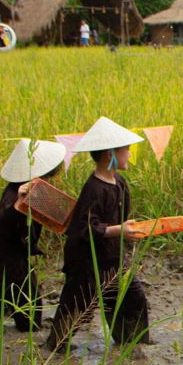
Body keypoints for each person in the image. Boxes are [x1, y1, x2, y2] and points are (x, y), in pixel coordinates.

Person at [46, 117, 152, 351]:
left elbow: (118, 220)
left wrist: (126, 228)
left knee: (133, 297)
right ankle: (56, 346)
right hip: (88, 260)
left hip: (112, 256)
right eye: (126, 150)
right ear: (109, 154)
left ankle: (132, 342)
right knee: (77, 305)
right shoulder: (94, 189)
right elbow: (84, 228)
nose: (129, 154)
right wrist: (119, 231)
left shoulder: (120, 183)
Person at [0, 138, 66, 332]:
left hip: (16, 249)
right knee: (26, 297)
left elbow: (57, 217)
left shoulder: (37, 189)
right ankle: (26, 327)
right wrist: (19, 201)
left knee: (1, 287)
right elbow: (4, 219)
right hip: (8, 251)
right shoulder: (15, 192)